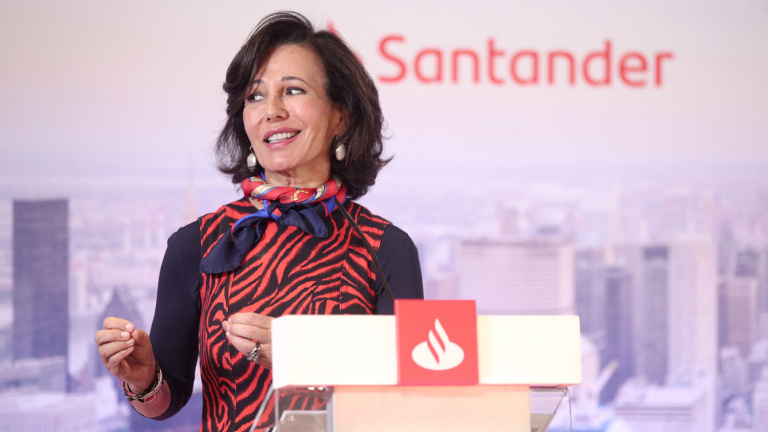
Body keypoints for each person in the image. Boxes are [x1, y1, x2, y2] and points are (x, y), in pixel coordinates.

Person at [94, 11, 423, 432]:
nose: (272, 110)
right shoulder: (196, 244)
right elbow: (167, 398)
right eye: (255, 96)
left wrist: (301, 357)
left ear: (340, 115)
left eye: (294, 90)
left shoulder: (384, 247)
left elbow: (410, 396)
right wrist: (143, 379)